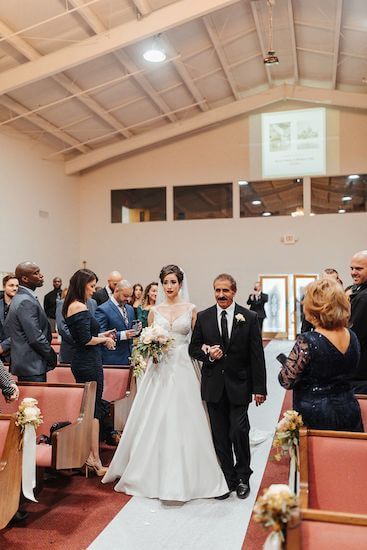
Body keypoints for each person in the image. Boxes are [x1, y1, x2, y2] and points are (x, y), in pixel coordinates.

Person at [103, 265, 228, 501]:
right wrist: (150, 347)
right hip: (159, 368)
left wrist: (208, 349)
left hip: (183, 367)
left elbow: (197, 342)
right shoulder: (154, 311)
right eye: (166, 283)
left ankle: (194, 472)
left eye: (173, 282)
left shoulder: (192, 310)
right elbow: (145, 340)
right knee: (155, 415)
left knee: (186, 416)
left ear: (180, 283)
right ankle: (148, 469)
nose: (169, 287)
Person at [189, 273, 267, 500]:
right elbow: (193, 349)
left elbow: (257, 356)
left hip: (240, 385)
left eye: (225, 290)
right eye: (217, 290)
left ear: (234, 291)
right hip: (214, 385)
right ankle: (227, 478)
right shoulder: (204, 317)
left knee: (239, 431)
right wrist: (208, 353)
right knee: (220, 435)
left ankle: (243, 476)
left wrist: (259, 388)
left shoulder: (249, 317)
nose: (221, 295)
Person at [279, 278, 363, 431]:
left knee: (321, 455)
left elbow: (286, 381)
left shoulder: (308, 340)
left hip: (316, 414)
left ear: (312, 307)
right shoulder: (352, 336)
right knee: (348, 454)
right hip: (348, 408)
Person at [63, 269, 116, 476]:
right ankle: (93, 459)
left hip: (86, 359)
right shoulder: (78, 306)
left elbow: (85, 335)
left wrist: (103, 335)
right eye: (92, 286)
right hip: (88, 362)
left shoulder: (73, 305)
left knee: (92, 410)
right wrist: (105, 339)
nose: (94, 290)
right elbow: (85, 340)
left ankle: (92, 456)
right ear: (82, 284)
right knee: (92, 411)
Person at [4, 262, 57, 382]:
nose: (41, 276)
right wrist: (51, 355)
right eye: (36, 273)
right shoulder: (25, 300)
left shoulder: (22, 297)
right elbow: (35, 337)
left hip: (29, 364)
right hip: (32, 365)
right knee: (36, 401)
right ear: (25, 278)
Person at [95, 280, 137, 365]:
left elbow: (131, 329)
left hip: (130, 357)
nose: (128, 299)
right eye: (125, 296)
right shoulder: (103, 309)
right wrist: (122, 335)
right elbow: (99, 334)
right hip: (112, 358)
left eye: (130, 296)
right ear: (116, 290)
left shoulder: (130, 308)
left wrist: (137, 329)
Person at [55, 293, 97, 364]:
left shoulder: (93, 303)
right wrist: (84, 341)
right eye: (91, 286)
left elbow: (94, 326)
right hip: (71, 352)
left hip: (91, 355)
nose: (93, 290)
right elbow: (62, 328)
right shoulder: (63, 303)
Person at [349, 250, 367, 394]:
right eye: (352, 268)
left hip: (360, 371)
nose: (354, 272)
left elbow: (354, 336)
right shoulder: (359, 292)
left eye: (359, 269)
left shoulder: (363, 297)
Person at [0, 274, 19, 362]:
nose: (15, 288)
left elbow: (23, 331)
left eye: (17, 286)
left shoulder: (22, 306)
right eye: (11, 285)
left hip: (15, 353)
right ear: (4, 287)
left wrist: (3, 346)